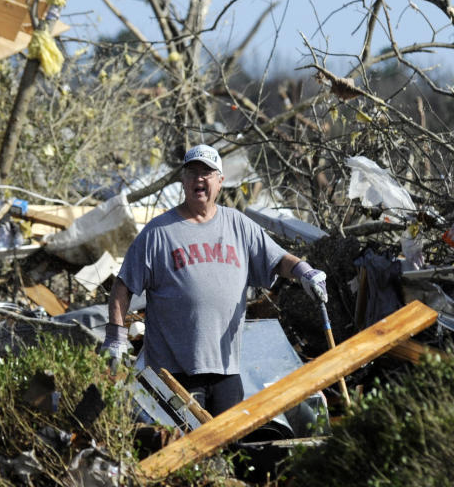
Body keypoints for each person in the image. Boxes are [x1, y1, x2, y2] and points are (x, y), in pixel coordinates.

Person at [100, 144, 328, 416]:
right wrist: (115, 337)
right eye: (192, 172)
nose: (199, 178)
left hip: (226, 369)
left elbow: (277, 259)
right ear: (183, 181)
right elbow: (123, 286)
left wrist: (304, 272)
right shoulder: (158, 233)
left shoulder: (239, 225)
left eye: (207, 173)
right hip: (173, 372)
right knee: (181, 447)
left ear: (220, 181)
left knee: (228, 449)